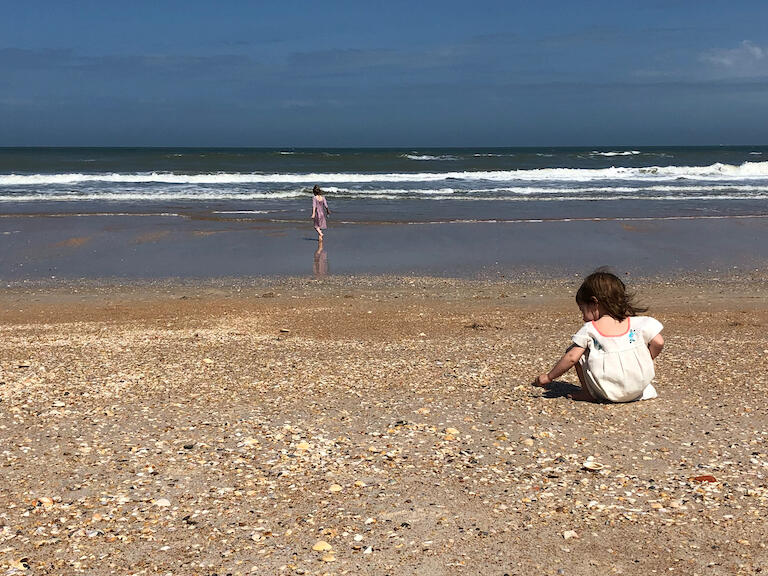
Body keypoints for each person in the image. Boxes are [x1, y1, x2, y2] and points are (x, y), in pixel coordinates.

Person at [533, 269, 664, 402]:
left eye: (582, 310)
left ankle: (587, 393)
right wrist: (643, 359)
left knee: (576, 352)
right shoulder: (639, 323)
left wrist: (549, 377)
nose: (583, 317)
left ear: (594, 303)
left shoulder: (590, 329)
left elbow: (571, 358)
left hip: (607, 391)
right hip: (638, 387)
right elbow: (658, 342)